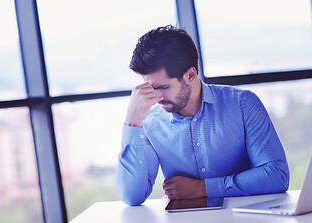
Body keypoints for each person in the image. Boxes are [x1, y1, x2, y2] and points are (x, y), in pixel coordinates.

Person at [116, 25, 289, 206]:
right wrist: (131, 122)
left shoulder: (242, 104)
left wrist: (202, 188)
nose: (156, 97)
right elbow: (132, 197)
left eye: (164, 87)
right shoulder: (150, 124)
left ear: (190, 75)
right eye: (150, 87)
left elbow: (277, 175)